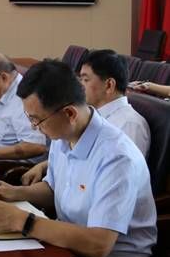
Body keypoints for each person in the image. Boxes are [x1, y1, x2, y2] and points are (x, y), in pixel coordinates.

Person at [0, 60, 156, 257]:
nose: (34, 127)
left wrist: (20, 221)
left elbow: (99, 245)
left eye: (37, 120)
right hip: (67, 243)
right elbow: (54, 189)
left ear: (70, 113)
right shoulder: (63, 134)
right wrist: (15, 193)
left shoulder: (116, 157)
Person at [22, 50, 151, 184]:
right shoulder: (85, 117)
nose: (80, 85)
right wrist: (44, 166)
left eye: (85, 79)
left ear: (109, 85)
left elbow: (119, 177)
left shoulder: (130, 124)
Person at [0, 53, 48, 172]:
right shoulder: (7, 90)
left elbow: (36, 146)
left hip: (0, 169)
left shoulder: (22, 100)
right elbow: (7, 121)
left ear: (4, 78)